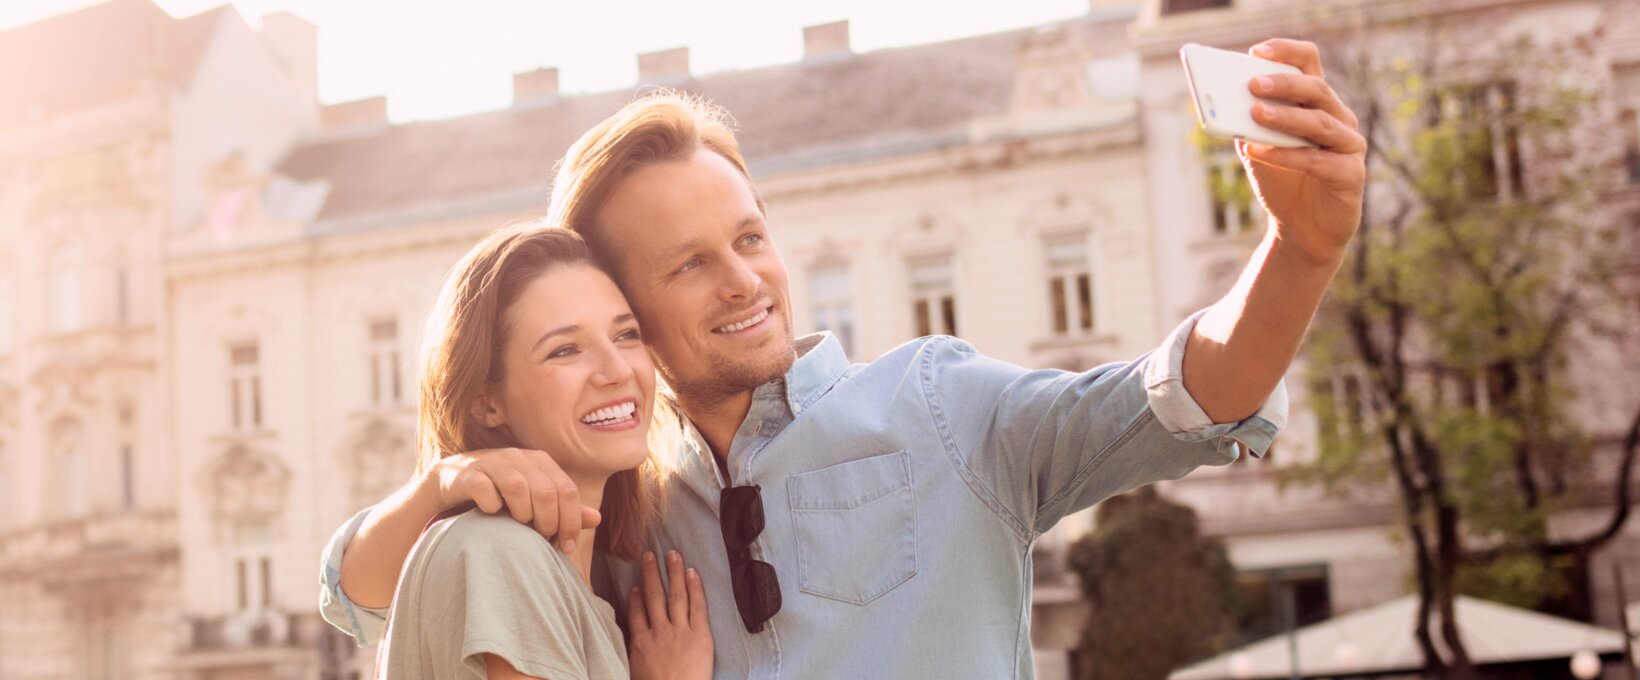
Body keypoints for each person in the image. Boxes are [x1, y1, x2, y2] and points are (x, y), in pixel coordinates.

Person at [321, 38, 1366, 679]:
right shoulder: (618, 504)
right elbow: (364, 594)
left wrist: (1301, 248)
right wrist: (440, 482)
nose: (743, 279)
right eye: (687, 265)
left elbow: (1186, 394)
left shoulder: (941, 404)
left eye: (749, 236)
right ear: (624, 306)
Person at [372, 227, 712, 679]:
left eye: (626, 335)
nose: (617, 370)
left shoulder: (553, 571)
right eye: (565, 350)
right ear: (486, 402)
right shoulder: (503, 556)